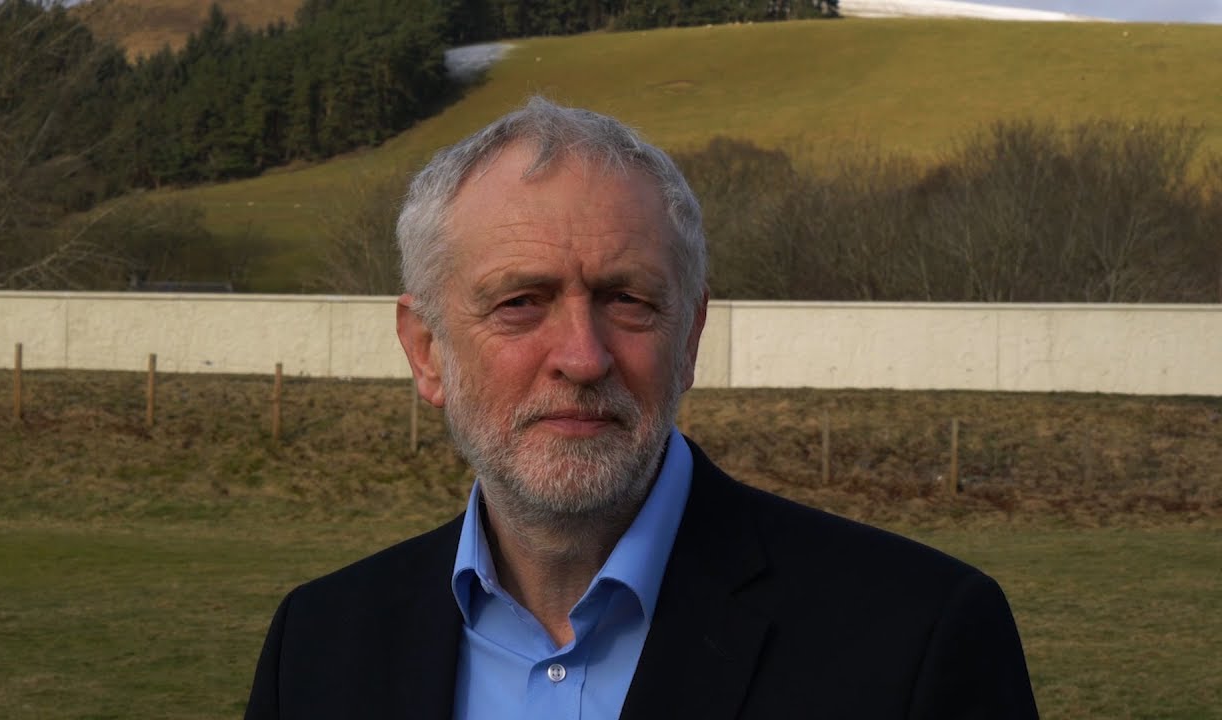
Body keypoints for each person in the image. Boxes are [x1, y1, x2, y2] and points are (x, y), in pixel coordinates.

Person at [243, 97, 1038, 719]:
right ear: (426, 350)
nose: (584, 358)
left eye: (628, 301)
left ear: (689, 337)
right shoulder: (318, 646)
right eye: (521, 302)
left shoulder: (918, 639)